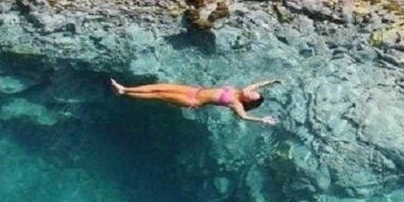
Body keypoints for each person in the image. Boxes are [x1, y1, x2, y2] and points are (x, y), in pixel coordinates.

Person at [110, 78, 281, 125]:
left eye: (252, 96)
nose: (252, 92)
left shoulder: (236, 103)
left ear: (247, 100)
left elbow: (243, 117)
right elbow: (259, 84)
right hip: (193, 90)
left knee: (159, 95)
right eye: (254, 92)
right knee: (159, 86)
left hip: (191, 100)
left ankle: (123, 92)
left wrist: (261, 119)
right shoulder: (241, 91)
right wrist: (272, 82)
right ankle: (126, 88)